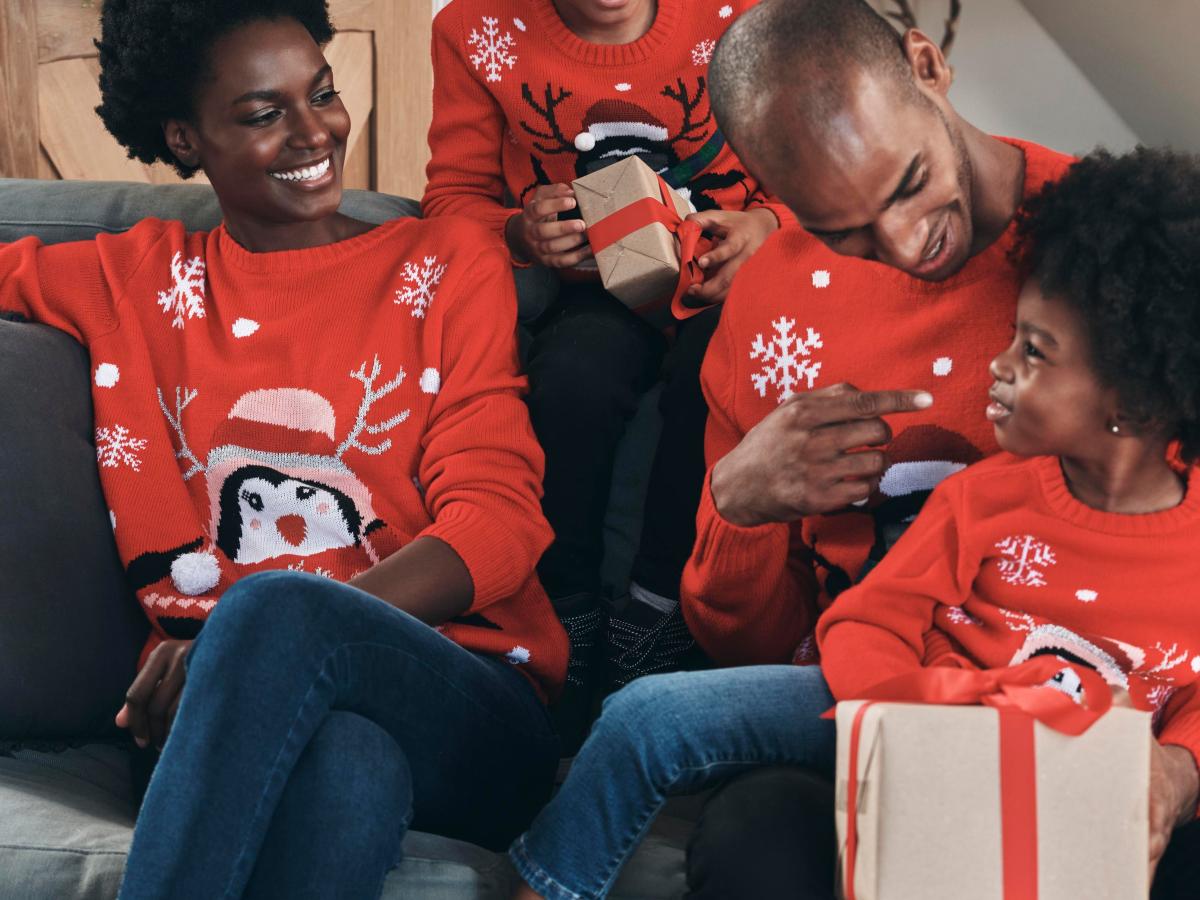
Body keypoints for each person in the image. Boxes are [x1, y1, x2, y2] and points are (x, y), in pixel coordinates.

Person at [504, 0, 1077, 896]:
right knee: (755, 836)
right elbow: (752, 651)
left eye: (908, 184)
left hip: (1082, 688)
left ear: (927, 66)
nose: (903, 244)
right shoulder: (772, 298)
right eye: (840, 229)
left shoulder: (1105, 244)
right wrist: (740, 509)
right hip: (852, 703)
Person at [1, 0, 566, 897]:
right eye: (265, 114)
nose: (316, 133)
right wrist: (248, 655)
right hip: (222, 725)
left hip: (465, 697)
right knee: (346, 763)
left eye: (323, 95)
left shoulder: (446, 264)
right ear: (185, 137)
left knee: (273, 612)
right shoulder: (134, 281)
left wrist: (245, 634)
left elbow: (499, 526)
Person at [817, 146, 1200, 894]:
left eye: (1034, 352)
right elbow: (862, 624)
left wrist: (1177, 765)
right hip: (947, 779)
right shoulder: (984, 498)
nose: (999, 366)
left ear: (1134, 406)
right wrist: (931, 721)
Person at [422, 0, 791, 734]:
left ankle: (655, 614)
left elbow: (814, 166)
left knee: (715, 383)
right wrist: (519, 233)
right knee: (569, 385)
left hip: (725, 286)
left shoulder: (746, 16)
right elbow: (451, 199)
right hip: (595, 295)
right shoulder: (472, 31)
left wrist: (767, 225)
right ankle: (567, 612)